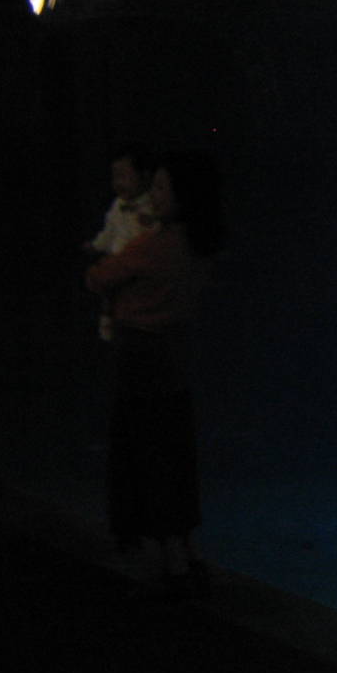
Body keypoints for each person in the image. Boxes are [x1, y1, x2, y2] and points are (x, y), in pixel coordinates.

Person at [85, 150, 224, 599]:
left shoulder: (151, 246)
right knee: (175, 447)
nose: (153, 195)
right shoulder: (201, 245)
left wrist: (112, 266)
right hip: (175, 353)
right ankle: (184, 545)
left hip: (139, 355)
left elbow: (100, 277)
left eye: (162, 188)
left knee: (146, 449)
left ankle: (166, 553)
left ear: (183, 196)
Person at [82, 144, 160, 342]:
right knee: (109, 290)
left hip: (139, 263)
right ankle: (108, 319)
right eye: (115, 177)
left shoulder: (153, 205)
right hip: (118, 259)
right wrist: (96, 245)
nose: (118, 183)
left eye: (124, 176)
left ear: (144, 176)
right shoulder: (117, 205)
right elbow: (109, 231)